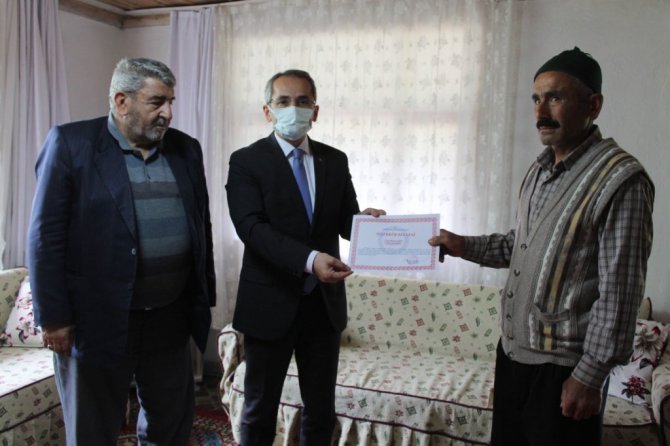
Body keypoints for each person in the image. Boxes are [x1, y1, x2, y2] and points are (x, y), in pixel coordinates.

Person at [429, 47, 654, 445]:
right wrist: (463, 245)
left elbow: (620, 292)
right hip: (513, 357)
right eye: (536, 99)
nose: (540, 111)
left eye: (555, 97)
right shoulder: (540, 169)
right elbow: (522, 246)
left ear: (593, 105)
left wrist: (590, 376)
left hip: (565, 370)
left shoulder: (621, 179)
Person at [27, 58, 216, 445]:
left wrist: (202, 294)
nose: (168, 113)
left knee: (170, 424)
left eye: (171, 102)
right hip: (97, 319)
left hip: (169, 316)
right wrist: (54, 318)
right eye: (156, 102)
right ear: (121, 101)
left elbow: (201, 224)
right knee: (93, 429)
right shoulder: (71, 144)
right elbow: (45, 237)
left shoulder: (186, 149)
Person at [226, 69, 385, 445]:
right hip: (268, 304)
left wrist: (367, 225)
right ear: (267, 111)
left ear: (315, 111)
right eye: (283, 101)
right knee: (259, 409)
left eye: (302, 101)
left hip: (322, 308)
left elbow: (346, 222)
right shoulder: (246, 161)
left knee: (321, 411)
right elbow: (252, 229)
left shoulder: (335, 160)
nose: (293, 108)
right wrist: (311, 259)